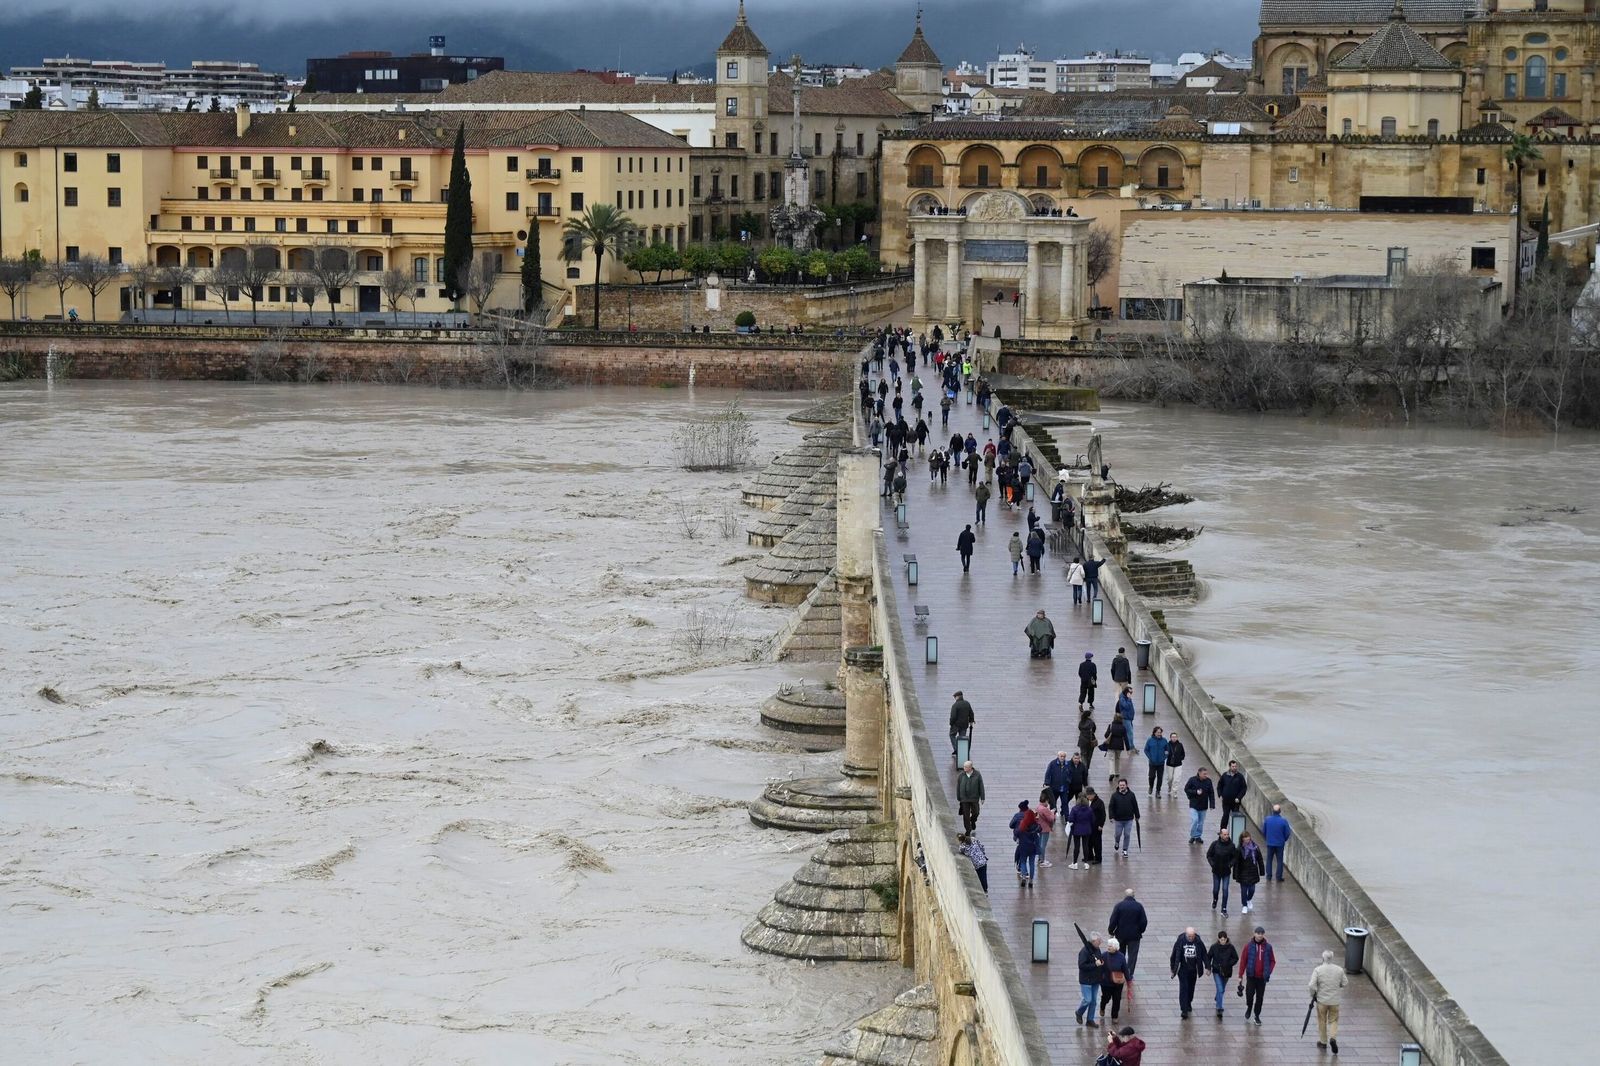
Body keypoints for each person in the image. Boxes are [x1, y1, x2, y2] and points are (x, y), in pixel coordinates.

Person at [1308, 949, 1349, 1053]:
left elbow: (1311, 985)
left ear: (1323, 958)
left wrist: (1313, 994)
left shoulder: (1318, 970)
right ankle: (1333, 1038)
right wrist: (1337, 986)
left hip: (1322, 1001)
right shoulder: (1339, 970)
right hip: (1334, 1001)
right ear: (1332, 958)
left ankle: (1323, 1042)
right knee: (1334, 1020)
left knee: (1322, 1020)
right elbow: (1345, 982)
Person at [1107, 889, 1148, 981]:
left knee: (1120, 953)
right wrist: (1140, 931)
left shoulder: (1119, 906)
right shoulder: (1139, 906)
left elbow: (1113, 920)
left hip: (1120, 935)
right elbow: (1144, 921)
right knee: (1132, 955)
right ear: (1134, 895)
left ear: (1125, 896)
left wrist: (1111, 931)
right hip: (1134, 936)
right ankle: (1129, 973)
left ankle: (1120, 970)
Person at [1237, 926, 1275, 1025]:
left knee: (1260, 997)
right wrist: (1240, 975)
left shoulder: (1268, 947)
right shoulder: (1248, 946)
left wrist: (1268, 972)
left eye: (1261, 934)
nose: (1260, 935)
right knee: (1249, 995)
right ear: (1254, 934)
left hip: (1262, 978)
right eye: (1258, 933)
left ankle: (1257, 1015)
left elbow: (1272, 961)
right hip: (1251, 976)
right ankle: (1249, 1007)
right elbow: (1243, 961)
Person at [1169, 927, 1207, 1020]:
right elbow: (1174, 955)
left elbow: (1204, 954)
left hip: (1193, 969)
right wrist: (1173, 968)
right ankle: (1184, 1010)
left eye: (1192, 936)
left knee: (1191, 988)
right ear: (1186, 935)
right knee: (1183, 989)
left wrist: (1207, 967)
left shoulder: (1198, 942)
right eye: (1189, 936)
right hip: (1183, 970)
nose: (1190, 938)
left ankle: (1189, 1002)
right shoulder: (1180, 941)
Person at [1206, 827, 1239, 916]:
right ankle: (1215, 899)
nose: (1226, 836)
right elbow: (1209, 855)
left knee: (1225, 889)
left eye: (1227, 834)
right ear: (1220, 835)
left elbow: (1235, 857)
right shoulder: (1215, 844)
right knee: (1216, 889)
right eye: (1224, 834)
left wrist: (1230, 864)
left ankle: (1224, 908)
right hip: (1216, 871)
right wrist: (1212, 864)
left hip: (1226, 871)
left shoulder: (1231, 846)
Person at [1076, 933, 1106, 1027]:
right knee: (1087, 1000)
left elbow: (1099, 960)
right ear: (1093, 941)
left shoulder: (1097, 949)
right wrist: (1095, 965)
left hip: (1095, 979)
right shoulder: (1084, 951)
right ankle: (1079, 1012)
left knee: (1093, 1001)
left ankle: (1090, 1019)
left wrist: (1101, 963)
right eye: (1099, 941)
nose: (1100, 942)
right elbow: (1081, 966)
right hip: (1086, 980)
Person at [1207, 930, 1238, 1020]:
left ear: (1226, 939)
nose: (1223, 941)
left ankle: (1218, 997)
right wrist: (1208, 968)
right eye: (1221, 939)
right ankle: (1219, 1007)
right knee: (1220, 989)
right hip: (1217, 971)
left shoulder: (1231, 947)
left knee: (1222, 989)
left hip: (1227, 972)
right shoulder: (1214, 947)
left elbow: (1235, 958)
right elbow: (1208, 957)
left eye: (1224, 939)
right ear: (1218, 939)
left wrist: (1228, 964)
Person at [1009, 800, 1040, 886]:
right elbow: (1039, 828)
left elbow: (1012, 828)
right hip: (1033, 846)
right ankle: (1031, 881)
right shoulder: (1034, 822)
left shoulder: (1020, 822)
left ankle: (1023, 877)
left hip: (1023, 845)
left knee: (1022, 861)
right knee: (1032, 863)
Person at [1235, 831, 1265, 914]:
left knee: (1252, 889)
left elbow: (1260, 860)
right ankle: (1244, 905)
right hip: (1243, 872)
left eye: (1248, 839)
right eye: (1245, 839)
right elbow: (1236, 862)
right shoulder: (1239, 849)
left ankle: (1249, 899)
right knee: (1244, 891)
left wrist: (1262, 871)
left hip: (1253, 872)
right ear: (1242, 840)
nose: (1247, 841)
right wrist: (1236, 874)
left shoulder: (1255, 847)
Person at [1108, 777, 1140, 857]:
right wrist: (1111, 816)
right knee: (1118, 834)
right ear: (1118, 785)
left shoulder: (1131, 795)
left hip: (1129, 819)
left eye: (1123, 785)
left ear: (1126, 785)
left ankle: (1125, 850)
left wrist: (1137, 815)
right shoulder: (1114, 795)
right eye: (1120, 785)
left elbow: (1135, 805)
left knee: (1127, 834)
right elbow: (1111, 806)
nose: (1122, 786)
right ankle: (1117, 842)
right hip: (1118, 819)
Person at [1100, 936, 1128, 1024]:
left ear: (1116, 947)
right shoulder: (1104, 955)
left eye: (1110, 946)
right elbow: (1099, 968)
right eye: (1108, 946)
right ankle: (1102, 1006)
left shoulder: (1121, 956)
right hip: (1106, 983)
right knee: (1106, 997)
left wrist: (1129, 979)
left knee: (1117, 999)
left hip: (1118, 983)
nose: (1108, 947)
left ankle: (1114, 1016)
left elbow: (1125, 969)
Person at [1184, 767, 1215, 844]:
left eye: (1206, 774)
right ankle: (1192, 836)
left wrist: (1212, 804)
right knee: (1195, 820)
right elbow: (1186, 789)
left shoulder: (1208, 781)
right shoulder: (1192, 780)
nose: (1206, 775)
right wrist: (1195, 792)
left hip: (1203, 806)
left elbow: (1211, 793)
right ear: (1199, 773)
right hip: (1194, 805)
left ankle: (1198, 836)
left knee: (1200, 823)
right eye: (1204, 774)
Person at [1263, 804, 1291, 883]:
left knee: (1269, 859)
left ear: (1273, 811)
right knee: (1279, 860)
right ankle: (1278, 877)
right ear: (1280, 811)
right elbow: (1288, 833)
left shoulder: (1267, 819)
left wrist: (1267, 838)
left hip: (1270, 843)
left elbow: (1264, 831)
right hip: (1280, 844)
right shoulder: (1283, 821)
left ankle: (1269, 876)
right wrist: (1283, 839)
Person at [1065, 792, 1094, 869]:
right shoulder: (1089, 809)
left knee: (1076, 846)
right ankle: (1086, 863)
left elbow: (1070, 819)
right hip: (1087, 830)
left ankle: (1075, 863)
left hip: (1076, 830)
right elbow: (1092, 820)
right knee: (1086, 846)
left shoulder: (1075, 809)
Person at [956, 760, 984, 833]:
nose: (964, 768)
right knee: (966, 815)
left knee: (976, 812)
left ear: (971, 767)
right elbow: (958, 787)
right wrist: (958, 797)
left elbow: (981, 786)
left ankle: (973, 820)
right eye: (964, 766)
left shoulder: (977, 774)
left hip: (974, 798)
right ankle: (968, 830)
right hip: (964, 799)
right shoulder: (961, 775)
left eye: (966, 767)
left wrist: (982, 797)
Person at [1103, 712, 1130, 786]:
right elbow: (1126, 738)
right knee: (1117, 758)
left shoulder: (1111, 726)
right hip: (1119, 745)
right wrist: (1128, 748)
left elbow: (1106, 735)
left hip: (1111, 745)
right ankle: (1117, 772)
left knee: (1111, 759)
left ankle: (1112, 773)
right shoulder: (1123, 727)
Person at [1033, 789, 1057, 867]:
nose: (1048, 803)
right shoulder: (1044, 809)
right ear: (1046, 800)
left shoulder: (1038, 807)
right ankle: (1042, 860)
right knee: (1043, 844)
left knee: (1040, 843)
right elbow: (1050, 819)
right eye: (1047, 801)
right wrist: (1052, 812)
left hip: (1040, 828)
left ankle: (1040, 858)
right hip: (1045, 828)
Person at [1142, 726, 1169, 796]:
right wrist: (1150, 757)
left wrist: (1164, 757)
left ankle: (1158, 791)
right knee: (1151, 776)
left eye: (1160, 732)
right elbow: (1146, 750)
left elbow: (1167, 750)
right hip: (1152, 763)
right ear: (1154, 733)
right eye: (1158, 732)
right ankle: (1151, 787)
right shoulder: (1150, 740)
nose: (1159, 734)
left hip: (1161, 763)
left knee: (1160, 777)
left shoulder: (1164, 740)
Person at [949, 690, 974, 759]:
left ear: (957, 697)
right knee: (962, 738)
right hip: (964, 725)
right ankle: (962, 752)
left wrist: (951, 723)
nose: (954, 698)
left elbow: (953, 716)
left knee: (952, 735)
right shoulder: (967, 703)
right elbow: (971, 713)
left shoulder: (955, 705)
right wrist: (971, 721)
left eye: (955, 697)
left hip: (956, 725)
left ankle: (957, 749)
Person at [1086, 786, 1107, 865]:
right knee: (1088, 842)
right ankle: (1090, 856)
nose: (1088, 797)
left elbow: (1103, 815)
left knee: (1097, 843)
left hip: (1096, 826)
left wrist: (1101, 825)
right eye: (1087, 795)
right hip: (1088, 826)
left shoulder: (1099, 802)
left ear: (1093, 794)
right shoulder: (1086, 801)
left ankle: (1098, 858)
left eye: (1089, 795)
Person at [1165, 732, 1186, 798]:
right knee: (1170, 778)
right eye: (1172, 737)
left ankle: (1175, 791)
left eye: (1175, 737)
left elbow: (1183, 754)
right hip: (1169, 764)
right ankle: (1169, 786)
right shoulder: (1167, 745)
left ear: (1177, 738)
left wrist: (1180, 759)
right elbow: (1165, 752)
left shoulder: (1180, 745)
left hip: (1178, 764)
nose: (1174, 738)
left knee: (1176, 779)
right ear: (1170, 738)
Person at [1116, 685, 1137, 752]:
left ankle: (1131, 745)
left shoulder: (1126, 698)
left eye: (1132, 692)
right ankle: (1131, 747)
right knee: (1130, 733)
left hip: (1129, 718)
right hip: (1126, 718)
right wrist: (1129, 699)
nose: (1131, 694)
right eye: (1130, 692)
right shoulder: (1123, 698)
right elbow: (1126, 706)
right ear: (1127, 692)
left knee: (1129, 732)